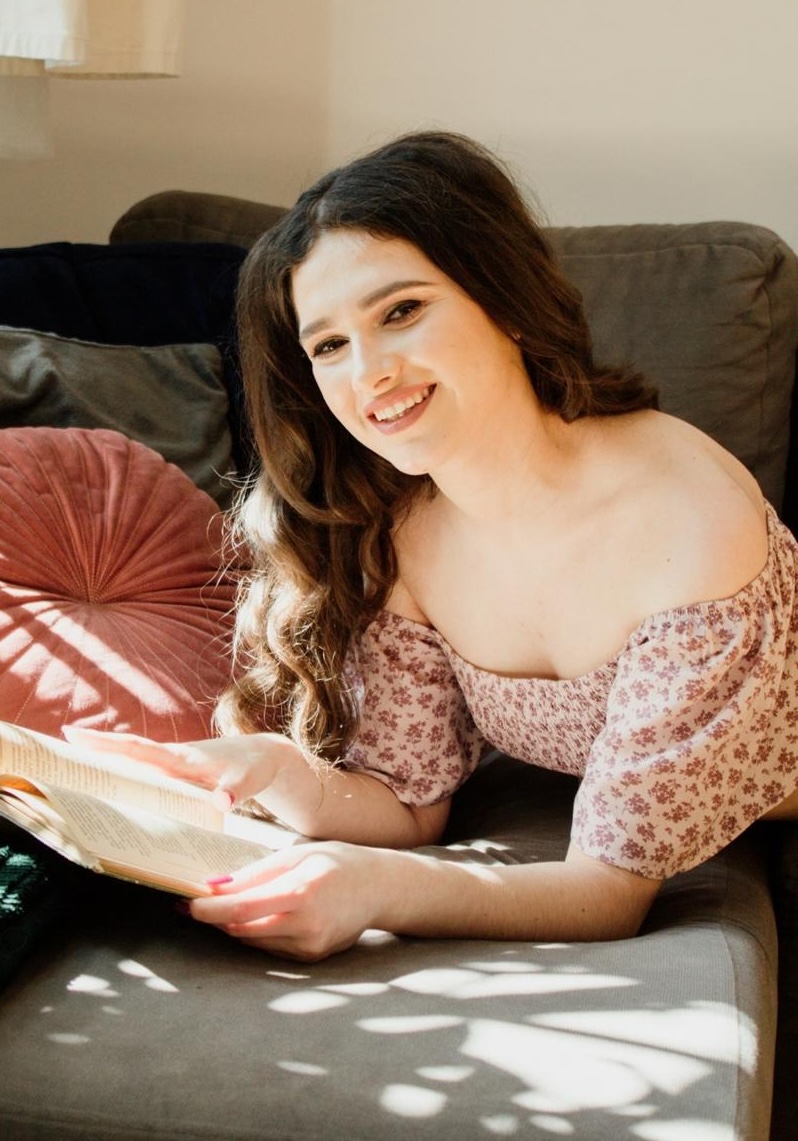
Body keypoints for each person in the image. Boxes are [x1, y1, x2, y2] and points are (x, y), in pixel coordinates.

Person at [68, 130, 798, 961]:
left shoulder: (685, 524)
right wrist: (269, 769)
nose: (369, 374)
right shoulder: (407, 528)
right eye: (330, 345)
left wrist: (377, 888)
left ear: (505, 298)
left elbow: (605, 893)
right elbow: (410, 802)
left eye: (402, 311)